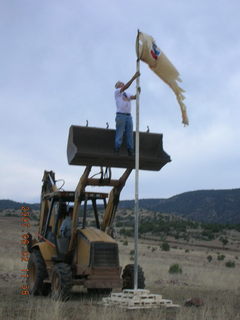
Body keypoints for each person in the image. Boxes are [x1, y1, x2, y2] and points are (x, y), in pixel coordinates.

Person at [114, 71, 140, 156]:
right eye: (120, 83)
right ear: (118, 86)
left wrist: (138, 92)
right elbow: (126, 87)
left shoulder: (126, 94)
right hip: (121, 115)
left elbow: (135, 97)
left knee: (129, 133)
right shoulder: (117, 92)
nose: (122, 83)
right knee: (120, 133)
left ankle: (130, 150)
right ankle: (117, 148)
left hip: (128, 116)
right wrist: (134, 77)